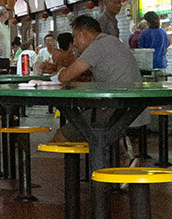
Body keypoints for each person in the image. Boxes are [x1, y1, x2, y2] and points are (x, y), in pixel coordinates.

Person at [56, 15, 148, 153]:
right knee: (89, 126)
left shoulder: (96, 46)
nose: (74, 43)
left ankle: (112, 157)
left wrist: (60, 64)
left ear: (84, 34)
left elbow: (65, 77)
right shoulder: (112, 41)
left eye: (74, 37)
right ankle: (123, 155)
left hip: (116, 111)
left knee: (60, 137)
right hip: (134, 110)